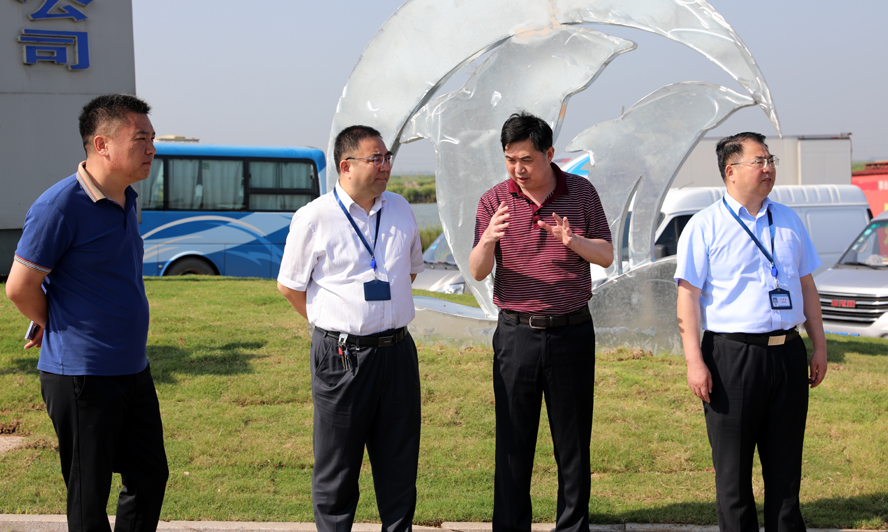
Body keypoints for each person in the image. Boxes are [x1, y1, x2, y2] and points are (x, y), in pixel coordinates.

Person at [5, 94, 168, 532]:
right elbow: (19, 287)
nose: (152, 149)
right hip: (82, 374)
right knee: (88, 494)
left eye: (152, 138)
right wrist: (53, 321)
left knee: (149, 475)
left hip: (132, 368)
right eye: (140, 139)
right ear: (102, 144)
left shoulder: (126, 198)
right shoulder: (59, 206)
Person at [674, 132, 828, 532]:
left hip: (787, 354)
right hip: (731, 357)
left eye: (770, 160)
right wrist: (694, 362)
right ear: (731, 171)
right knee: (733, 474)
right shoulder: (705, 225)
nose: (768, 168)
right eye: (759, 161)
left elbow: (807, 286)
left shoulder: (788, 219)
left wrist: (819, 346)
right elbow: (687, 297)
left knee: (785, 470)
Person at [469, 112, 613, 532]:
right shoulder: (494, 200)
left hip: (571, 332)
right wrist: (487, 239)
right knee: (513, 443)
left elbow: (606, 256)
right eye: (510, 159)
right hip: (516, 335)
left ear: (549, 154)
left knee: (573, 444)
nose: (518, 169)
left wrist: (573, 241)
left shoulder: (581, 192)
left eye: (527, 159)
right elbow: (477, 270)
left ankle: (572, 526)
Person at [277, 125, 424, 532]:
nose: (385, 166)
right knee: (338, 469)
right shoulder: (314, 217)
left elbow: (408, 272)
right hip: (341, 356)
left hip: (397, 352)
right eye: (376, 159)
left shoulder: (400, 208)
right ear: (346, 166)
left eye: (387, 158)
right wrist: (335, 324)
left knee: (399, 466)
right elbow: (289, 287)